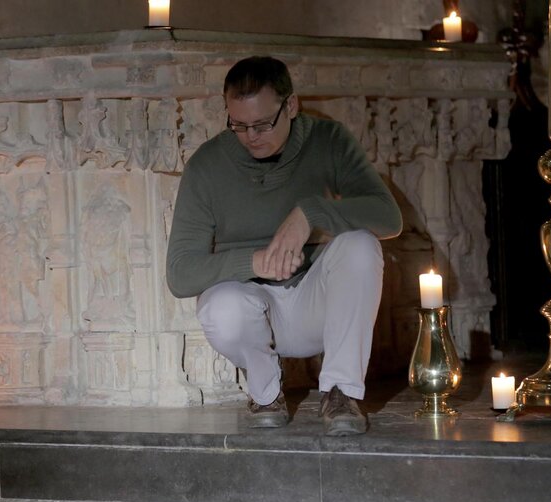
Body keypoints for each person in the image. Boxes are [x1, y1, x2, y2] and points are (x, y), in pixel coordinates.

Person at [166, 56, 403, 436]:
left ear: (290, 106)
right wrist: (257, 261)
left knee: (360, 246)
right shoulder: (207, 166)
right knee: (220, 305)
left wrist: (311, 213)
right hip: (254, 307)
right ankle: (265, 392)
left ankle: (341, 391)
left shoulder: (328, 140)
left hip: (317, 301)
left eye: (262, 124)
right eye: (238, 125)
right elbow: (180, 273)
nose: (251, 136)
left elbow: (388, 219)